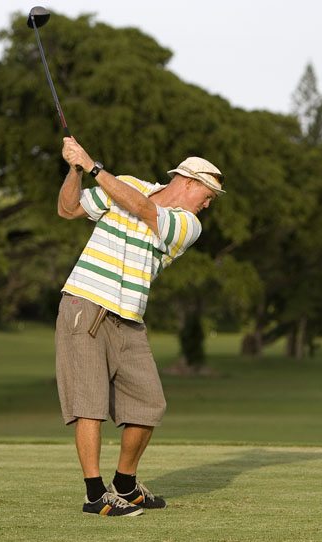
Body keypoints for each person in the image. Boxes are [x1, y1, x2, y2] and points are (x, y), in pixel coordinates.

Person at [56, 136, 224, 516]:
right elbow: (68, 209)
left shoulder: (188, 225)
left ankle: (125, 483)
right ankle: (95, 495)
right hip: (85, 301)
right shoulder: (126, 184)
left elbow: (144, 208)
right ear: (189, 182)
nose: (208, 203)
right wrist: (75, 170)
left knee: (149, 404)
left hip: (129, 317)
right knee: (89, 405)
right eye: (208, 195)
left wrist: (93, 166)